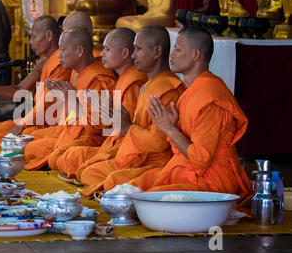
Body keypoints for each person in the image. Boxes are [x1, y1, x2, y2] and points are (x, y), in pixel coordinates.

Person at [128, 26, 252, 204]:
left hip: (213, 182)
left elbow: (201, 160)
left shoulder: (210, 97)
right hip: (188, 170)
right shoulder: (191, 92)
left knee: (146, 199)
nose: (171, 55)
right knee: (133, 187)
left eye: (178, 50)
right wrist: (172, 127)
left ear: (196, 55)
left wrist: (170, 129)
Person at [77, 26, 186, 198]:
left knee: (110, 179)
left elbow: (159, 144)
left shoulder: (168, 89)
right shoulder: (149, 84)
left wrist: (127, 127)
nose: (133, 55)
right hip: (136, 155)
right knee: (88, 171)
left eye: (139, 49)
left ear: (157, 51)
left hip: (157, 163)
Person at [54, 28, 148, 181]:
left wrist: (72, 99)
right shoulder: (123, 78)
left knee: (78, 166)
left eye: (107, 49)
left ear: (124, 54)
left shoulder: (129, 81)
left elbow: (98, 127)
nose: (102, 53)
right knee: (62, 157)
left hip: (124, 146)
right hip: (111, 141)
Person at [24, 28, 117, 171]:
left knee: (58, 157)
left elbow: (96, 128)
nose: (59, 55)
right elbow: (72, 118)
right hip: (74, 132)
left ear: (79, 51)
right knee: (30, 144)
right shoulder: (81, 74)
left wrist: (71, 98)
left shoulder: (99, 79)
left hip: (94, 140)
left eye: (62, 50)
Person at [0, 15, 70, 145]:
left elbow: (48, 103)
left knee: (24, 136)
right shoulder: (42, 63)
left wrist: (21, 124)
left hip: (54, 124)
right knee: (4, 128)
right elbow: (20, 89)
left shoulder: (61, 63)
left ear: (49, 36)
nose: (31, 42)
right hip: (39, 121)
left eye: (34, 36)